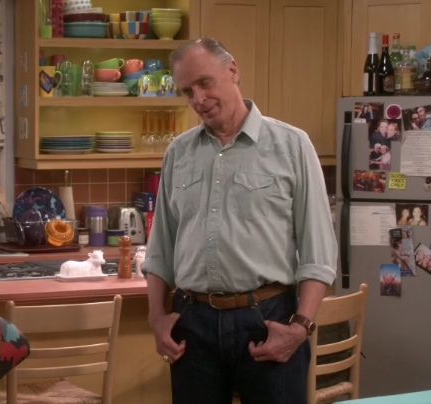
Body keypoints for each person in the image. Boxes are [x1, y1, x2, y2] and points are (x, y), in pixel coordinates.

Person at [141, 38, 337, 404]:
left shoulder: (292, 145)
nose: (198, 99)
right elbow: (160, 248)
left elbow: (319, 251)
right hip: (192, 323)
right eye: (187, 91)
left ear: (232, 70)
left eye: (204, 82)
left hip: (268, 318)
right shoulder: (178, 152)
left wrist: (300, 326)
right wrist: (156, 317)